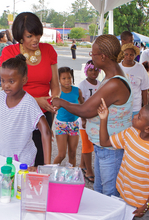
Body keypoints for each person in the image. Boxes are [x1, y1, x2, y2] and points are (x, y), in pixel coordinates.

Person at [52, 34, 133, 197]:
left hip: (112, 150)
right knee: (100, 191)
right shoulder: (111, 77)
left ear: (102, 56)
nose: (91, 58)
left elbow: (86, 110)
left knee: (109, 196)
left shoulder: (115, 83)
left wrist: (61, 102)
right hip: (105, 147)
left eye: (92, 54)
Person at [1, 12, 60, 167]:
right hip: (18, 114)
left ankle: (38, 186)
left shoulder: (48, 51)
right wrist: (36, 101)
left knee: (40, 155)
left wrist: (54, 101)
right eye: (30, 36)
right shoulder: (9, 52)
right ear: (20, 36)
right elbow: (7, 89)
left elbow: (55, 86)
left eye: (38, 35)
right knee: (19, 157)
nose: (36, 40)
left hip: (44, 111)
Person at [0, 54, 52, 168]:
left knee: (19, 184)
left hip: (23, 160)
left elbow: (45, 131)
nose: (6, 85)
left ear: (24, 80)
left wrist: (47, 165)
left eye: (11, 81)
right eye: (3, 80)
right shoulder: (1, 97)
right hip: (3, 155)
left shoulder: (29, 103)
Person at [53, 67, 84, 167]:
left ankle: (72, 176)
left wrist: (84, 119)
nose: (67, 80)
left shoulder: (77, 91)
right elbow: (52, 109)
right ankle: (50, 172)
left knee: (73, 153)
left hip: (74, 124)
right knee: (61, 155)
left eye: (69, 78)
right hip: (61, 124)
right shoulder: (57, 92)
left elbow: (83, 106)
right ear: (58, 79)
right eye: (64, 78)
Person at [78, 60, 100, 182]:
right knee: (87, 146)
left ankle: (82, 165)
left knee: (91, 143)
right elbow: (81, 104)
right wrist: (83, 119)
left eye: (96, 70)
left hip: (96, 120)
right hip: (85, 120)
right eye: (91, 70)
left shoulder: (100, 84)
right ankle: (89, 171)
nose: (94, 72)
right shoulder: (83, 85)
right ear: (86, 71)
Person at [118, 43, 149, 117]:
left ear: (135, 56)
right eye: (126, 54)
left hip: (135, 107)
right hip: (119, 107)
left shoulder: (140, 68)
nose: (128, 57)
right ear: (122, 55)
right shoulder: (117, 67)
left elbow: (144, 90)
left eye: (131, 55)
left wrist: (145, 107)